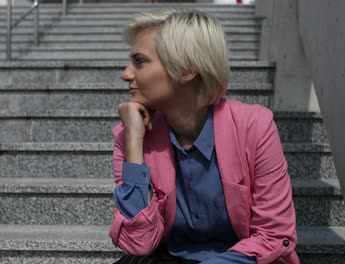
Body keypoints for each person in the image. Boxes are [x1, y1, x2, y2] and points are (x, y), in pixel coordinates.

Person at [109, 8, 299, 264]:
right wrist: (134, 143)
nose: (126, 74)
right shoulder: (131, 135)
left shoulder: (254, 126)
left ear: (186, 70)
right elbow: (137, 242)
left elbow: (274, 236)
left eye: (139, 61)